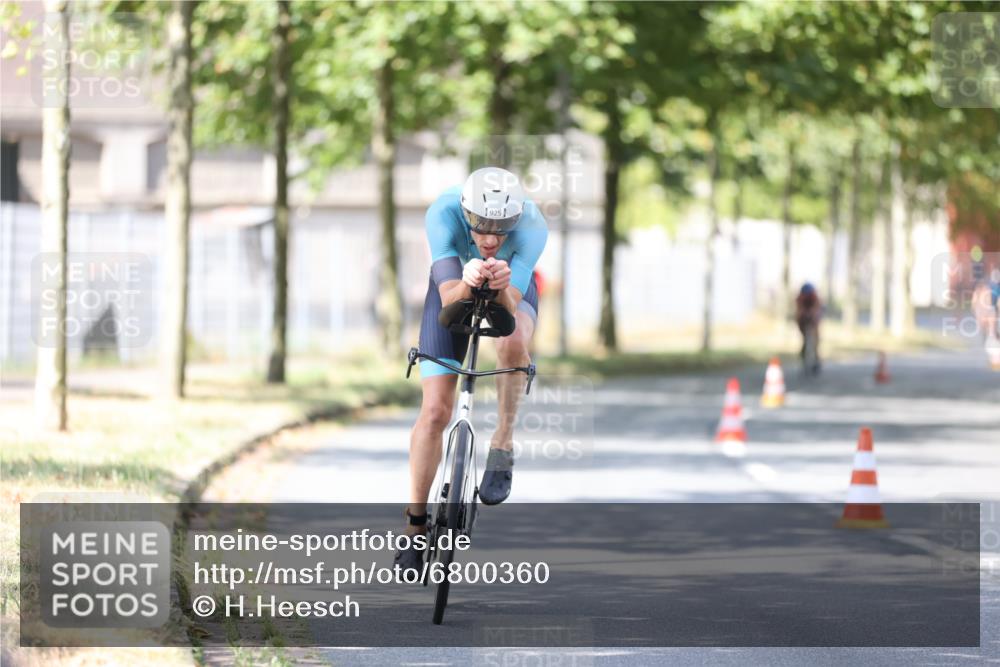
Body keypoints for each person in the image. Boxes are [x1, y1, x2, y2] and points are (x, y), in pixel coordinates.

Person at [394, 167, 548, 575]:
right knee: (435, 413)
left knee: (514, 343)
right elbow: (448, 300)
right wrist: (467, 279)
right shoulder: (442, 212)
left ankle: (502, 443)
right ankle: (414, 524)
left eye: (502, 226)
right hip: (452, 287)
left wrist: (499, 284)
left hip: (509, 289)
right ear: (465, 213)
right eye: (481, 225)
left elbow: (510, 308)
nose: (492, 237)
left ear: (517, 217)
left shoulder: (533, 226)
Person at [795, 282, 823, 373]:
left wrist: (813, 315)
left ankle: (816, 360)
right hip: (803, 320)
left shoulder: (815, 297)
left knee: (815, 341)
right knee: (804, 339)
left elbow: (817, 309)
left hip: (814, 319)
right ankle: (803, 356)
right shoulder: (800, 298)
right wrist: (802, 317)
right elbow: (799, 311)